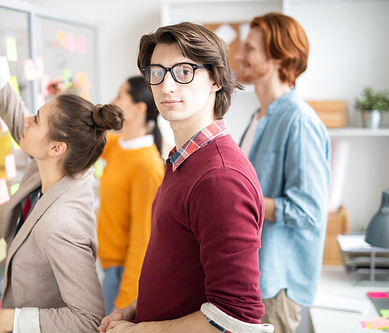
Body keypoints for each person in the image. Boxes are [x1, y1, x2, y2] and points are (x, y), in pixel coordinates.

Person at [0, 10, 124, 333]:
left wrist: (13, 320)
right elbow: (10, 105)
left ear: (56, 148)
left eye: (36, 119)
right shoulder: (62, 167)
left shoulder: (60, 223)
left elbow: (89, 319)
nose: (26, 120)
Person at [100, 22, 274, 333]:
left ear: (215, 81)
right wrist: (135, 310)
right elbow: (180, 272)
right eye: (158, 72)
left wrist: (140, 331)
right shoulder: (184, 160)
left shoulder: (219, 177)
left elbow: (237, 318)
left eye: (184, 71)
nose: (166, 86)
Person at [235, 13, 330, 333]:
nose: (239, 56)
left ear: (277, 56)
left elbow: (309, 210)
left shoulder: (299, 121)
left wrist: (240, 200)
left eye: (249, 49)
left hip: (275, 287)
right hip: (251, 279)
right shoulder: (257, 118)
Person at [97, 76, 164, 315]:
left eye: (119, 96)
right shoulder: (119, 146)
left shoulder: (147, 166)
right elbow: (86, 138)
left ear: (139, 108)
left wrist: (125, 301)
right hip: (108, 268)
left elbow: (143, 239)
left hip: (123, 275)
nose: (112, 101)